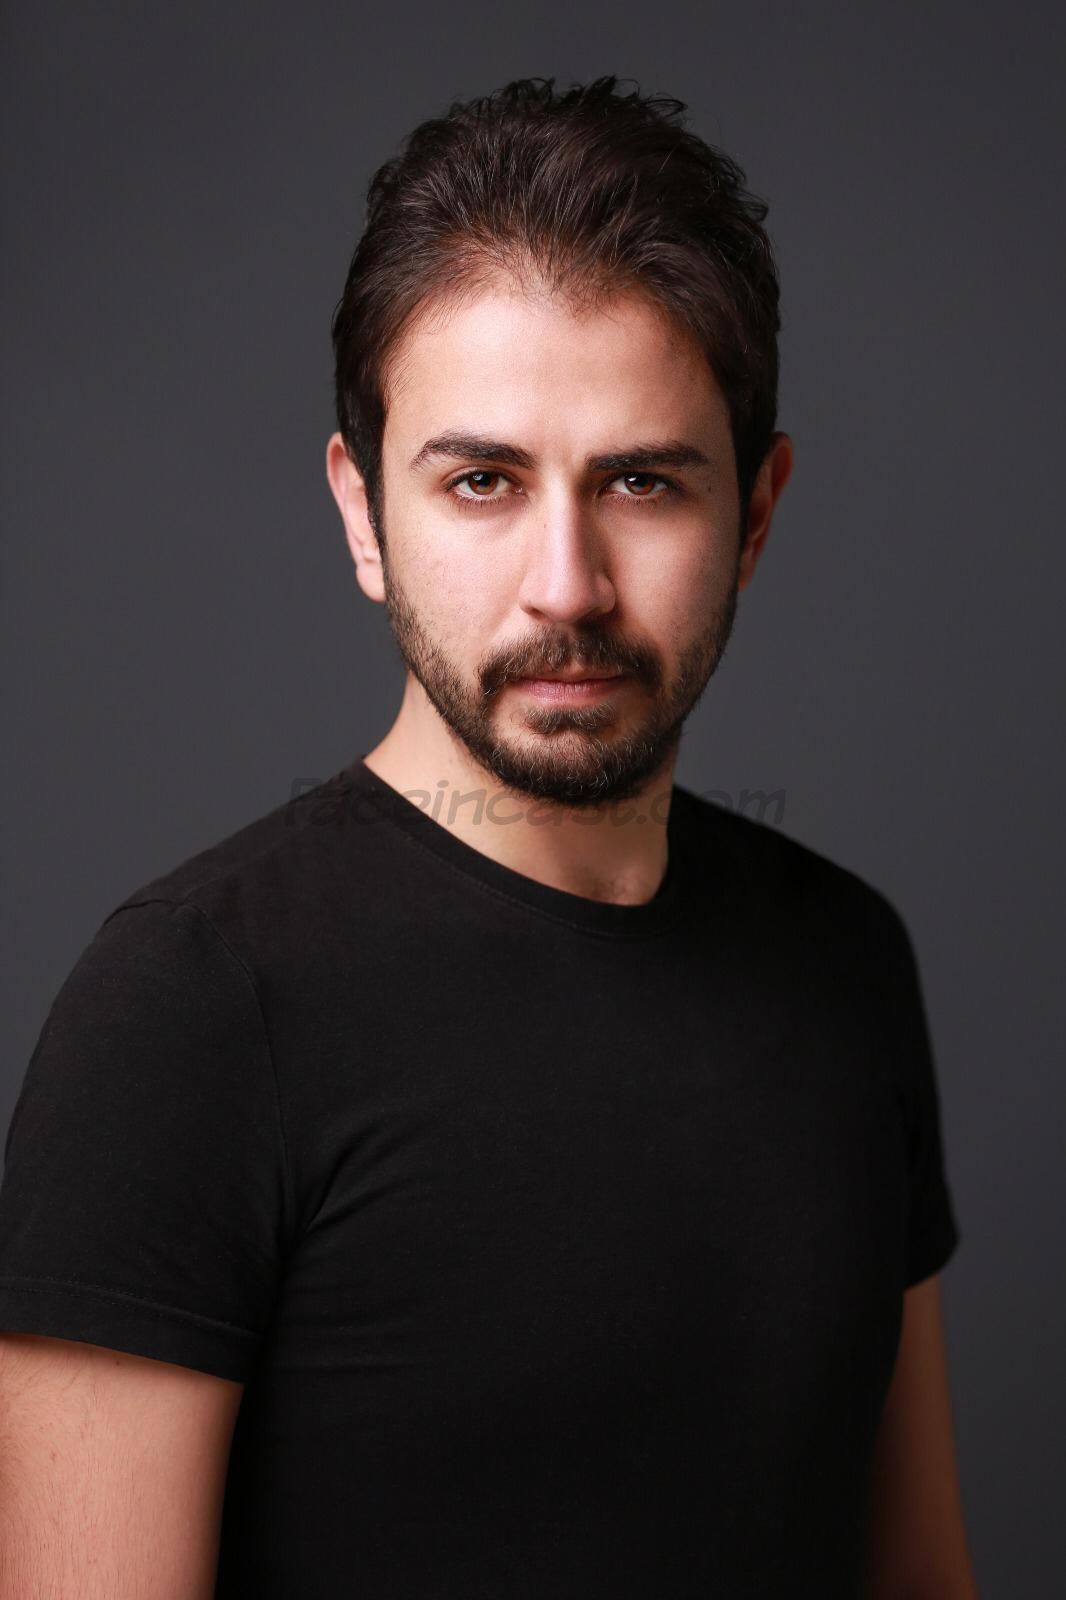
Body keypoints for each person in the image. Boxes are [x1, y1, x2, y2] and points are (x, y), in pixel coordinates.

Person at [0, 75, 977, 1598]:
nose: (565, 585)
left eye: (642, 482)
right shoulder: (189, 1013)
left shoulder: (849, 960)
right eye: (481, 482)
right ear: (363, 516)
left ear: (757, 512)